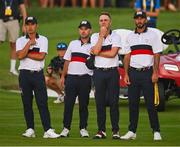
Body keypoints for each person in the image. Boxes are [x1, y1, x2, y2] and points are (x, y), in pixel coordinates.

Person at [120, 11, 162, 141]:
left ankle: (156, 131)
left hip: (147, 73)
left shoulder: (153, 35)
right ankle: (132, 131)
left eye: (141, 18)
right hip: (133, 73)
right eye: (137, 19)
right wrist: (126, 73)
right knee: (133, 103)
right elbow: (127, 56)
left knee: (150, 103)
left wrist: (155, 72)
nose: (139, 21)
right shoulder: (130, 36)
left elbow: (156, 55)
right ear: (134, 20)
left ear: (145, 20)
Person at [16, 16, 60, 138]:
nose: (30, 27)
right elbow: (19, 56)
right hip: (24, 75)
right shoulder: (20, 40)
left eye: (32, 24)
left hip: (38, 74)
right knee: (27, 103)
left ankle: (48, 130)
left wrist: (26, 53)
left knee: (42, 103)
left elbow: (41, 57)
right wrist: (29, 43)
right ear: (25, 26)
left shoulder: (43, 40)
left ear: (36, 26)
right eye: (28, 24)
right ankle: (30, 129)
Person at [59, 20, 92, 137]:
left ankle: (83, 128)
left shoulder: (94, 45)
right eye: (81, 29)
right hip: (71, 78)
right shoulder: (73, 43)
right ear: (79, 30)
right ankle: (66, 128)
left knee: (83, 105)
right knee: (68, 104)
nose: (83, 31)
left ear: (90, 30)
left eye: (86, 29)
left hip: (85, 78)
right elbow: (67, 60)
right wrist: (63, 76)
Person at [91, 12, 121, 139]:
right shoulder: (94, 36)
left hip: (112, 72)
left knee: (114, 102)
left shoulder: (116, 36)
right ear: (99, 23)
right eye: (101, 20)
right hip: (99, 72)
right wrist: (101, 37)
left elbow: (113, 54)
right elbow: (95, 50)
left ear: (110, 22)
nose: (103, 22)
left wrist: (98, 52)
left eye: (106, 20)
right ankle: (101, 130)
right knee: (100, 102)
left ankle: (115, 131)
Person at [0, 0, 27, 75]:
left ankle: (12, 69)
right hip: (1, 20)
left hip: (14, 20)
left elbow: (23, 8)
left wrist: (24, 24)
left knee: (14, 44)